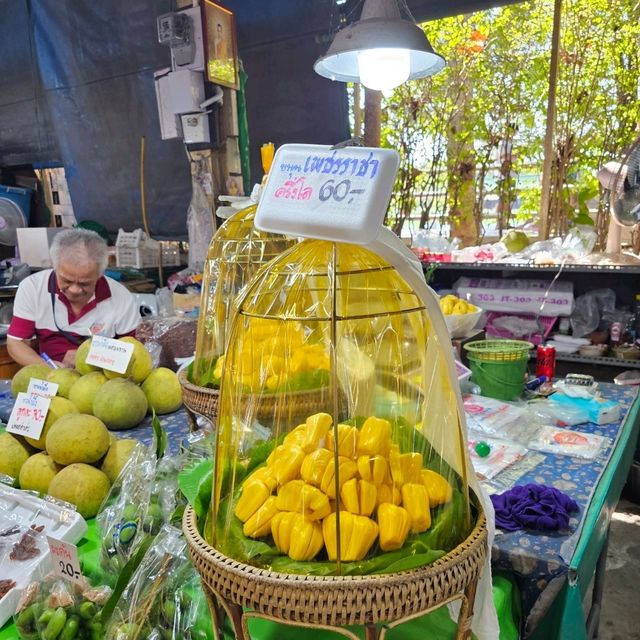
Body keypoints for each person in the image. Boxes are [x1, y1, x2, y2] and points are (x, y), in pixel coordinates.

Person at [7, 228, 141, 368]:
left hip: (102, 382)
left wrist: (91, 357)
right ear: (54, 265)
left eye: (85, 283)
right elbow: (16, 343)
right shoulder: (33, 288)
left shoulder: (120, 296)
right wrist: (50, 368)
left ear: (100, 273)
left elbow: (136, 352)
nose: (74, 290)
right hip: (51, 378)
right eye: (67, 280)